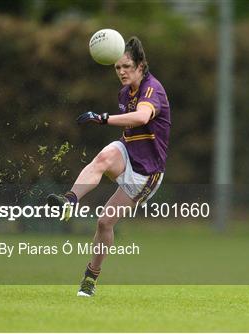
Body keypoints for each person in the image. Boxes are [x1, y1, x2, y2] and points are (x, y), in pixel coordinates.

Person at [47, 36, 170, 297]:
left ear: (140, 66)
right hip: (127, 154)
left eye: (127, 66)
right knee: (103, 157)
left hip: (146, 173)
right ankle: (70, 200)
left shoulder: (152, 88)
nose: (122, 72)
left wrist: (103, 118)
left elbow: (141, 117)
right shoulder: (125, 93)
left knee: (104, 222)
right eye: (117, 68)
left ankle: (90, 277)